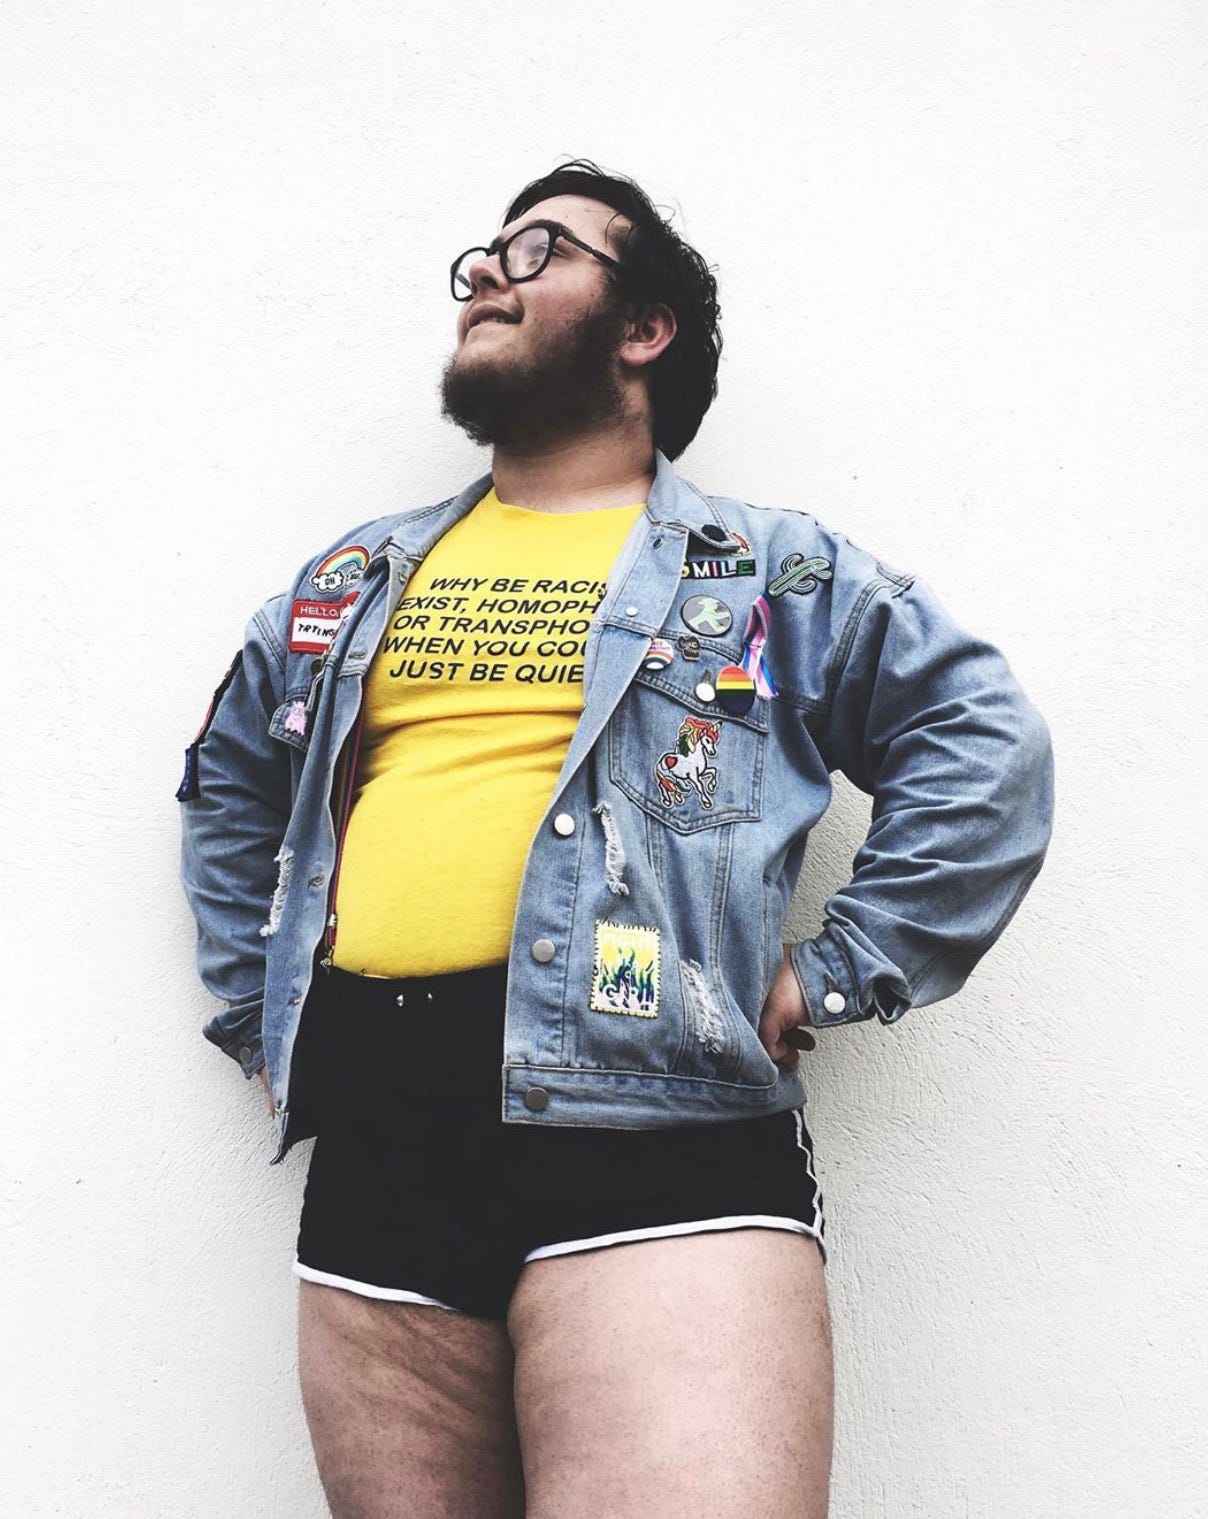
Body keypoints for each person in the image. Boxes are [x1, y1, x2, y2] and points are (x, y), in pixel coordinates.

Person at [177, 160, 1053, 1518]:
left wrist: (837, 971)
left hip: (659, 1131)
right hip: (380, 1142)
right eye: (483, 253)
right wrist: (261, 1008)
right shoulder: (356, 580)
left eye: (539, 249)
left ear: (644, 328)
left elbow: (980, 741)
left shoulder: (763, 571)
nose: (488, 270)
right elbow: (231, 781)